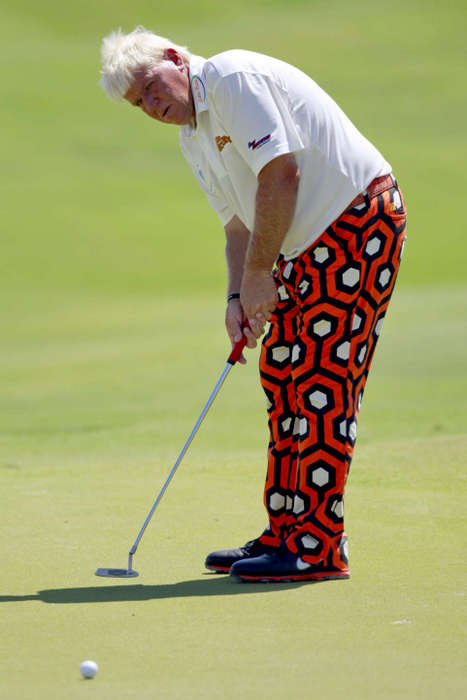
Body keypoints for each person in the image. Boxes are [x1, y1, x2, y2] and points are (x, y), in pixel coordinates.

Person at [100, 27, 406, 583]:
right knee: (284, 374)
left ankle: (316, 548)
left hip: (356, 222)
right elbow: (238, 225)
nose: (151, 106)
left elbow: (280, 174)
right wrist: (238, 295)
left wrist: (263, 273)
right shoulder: (192, 138)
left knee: (319, 379)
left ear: (175, 58)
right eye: (138, 103)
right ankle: (286, 532)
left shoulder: (233, 79)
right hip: (299, 243)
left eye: (150, 88)